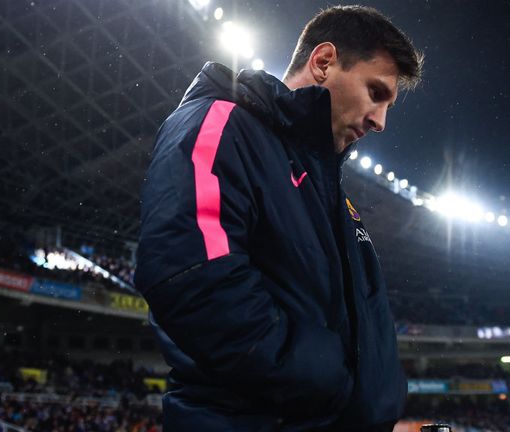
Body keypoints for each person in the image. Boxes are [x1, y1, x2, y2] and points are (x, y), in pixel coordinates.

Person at [134, 5, 423, 431]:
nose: (380, 121)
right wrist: (331, 385)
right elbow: (190, 274)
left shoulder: (329, 190)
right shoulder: (223, 123)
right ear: (323, 62)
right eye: (375, 93)